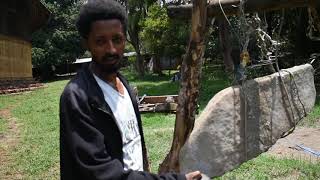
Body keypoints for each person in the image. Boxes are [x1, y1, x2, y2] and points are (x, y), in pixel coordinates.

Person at [59, 0, 202, 179]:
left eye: (117, 39)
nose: (111, 49)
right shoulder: (77, 97)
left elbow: (133, 144)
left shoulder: (123, 84)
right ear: (86, 44)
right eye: (100, 41)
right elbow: (101, 173)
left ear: (124, 40)